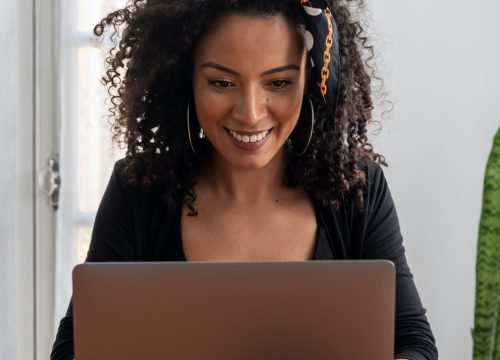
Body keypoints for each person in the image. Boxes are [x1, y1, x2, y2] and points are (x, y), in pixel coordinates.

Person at [51, 0, 438, 359]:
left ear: (313, 77)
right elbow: (75, 347)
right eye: (222, 82)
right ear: (185, 79)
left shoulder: (359, 191)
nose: (251, 114)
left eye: (279, 82)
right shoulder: (137, 190)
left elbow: (413, 341)